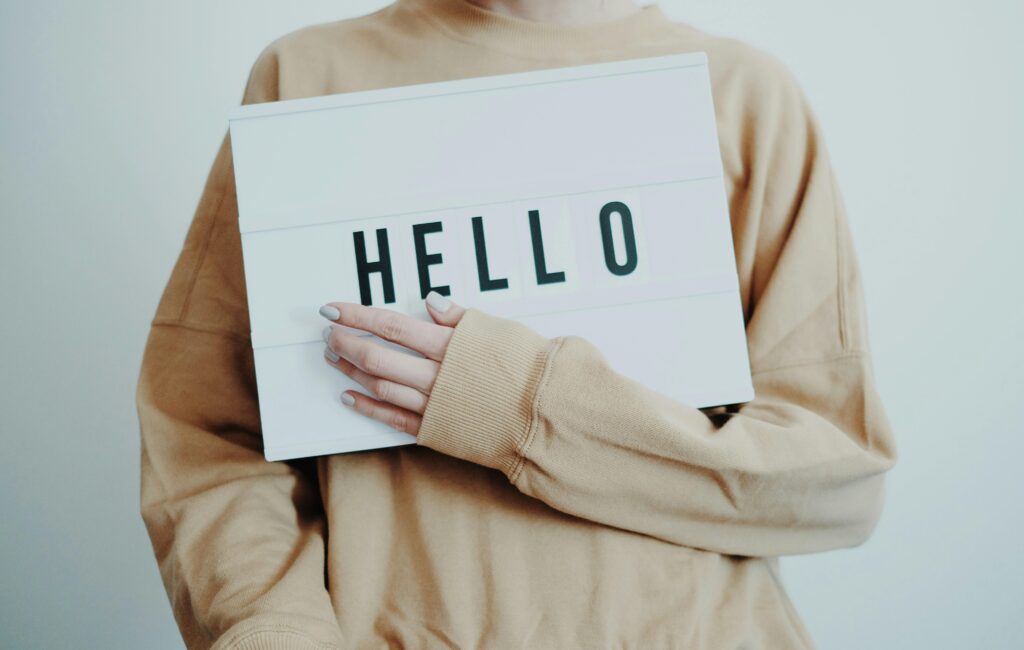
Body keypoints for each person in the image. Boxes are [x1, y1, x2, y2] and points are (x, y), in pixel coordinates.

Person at [136, 0, 898, 647]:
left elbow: (835, 479)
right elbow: (207, 437)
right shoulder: (304, 81)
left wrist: (524, 408)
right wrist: (276, 630)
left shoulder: (743, 97)